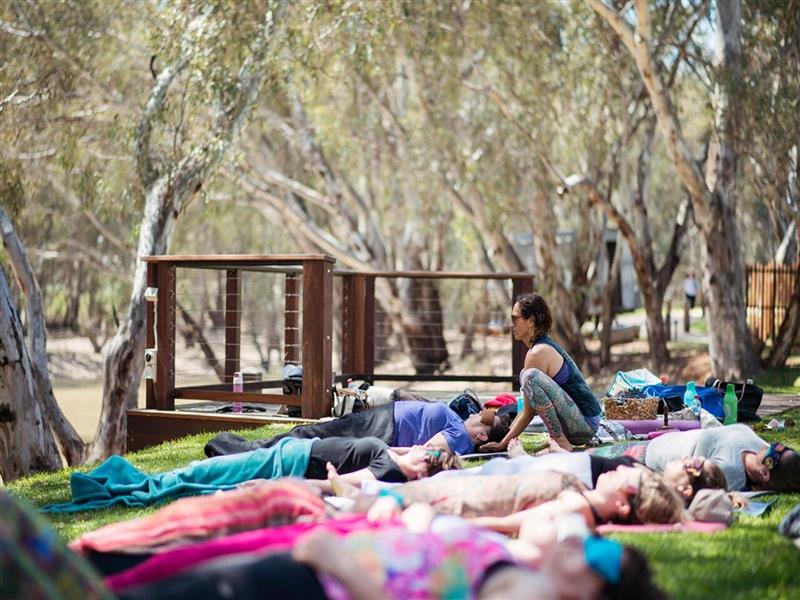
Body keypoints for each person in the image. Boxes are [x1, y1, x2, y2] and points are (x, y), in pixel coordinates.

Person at [41, 437, 459, 513]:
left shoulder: (387, 473)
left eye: (429, 454)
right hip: (283, 453)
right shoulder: (397, 459)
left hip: (280, 466)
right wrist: (451, 459)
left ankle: (117, 486)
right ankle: (129, 482)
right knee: (199, 472)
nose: (424, 448)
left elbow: (333, 485)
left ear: (423, 467)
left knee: (197, 474)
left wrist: (270, 486)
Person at [481, 292, 602, 452]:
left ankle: (560, 442)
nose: (511, 325)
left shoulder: (538, 352)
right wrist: (502, 444)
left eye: (515, 319)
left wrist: (502, 443)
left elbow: (528, 413)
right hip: (583, 423)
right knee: (527, 375)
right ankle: (560, 440)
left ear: (531, 321)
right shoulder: (539, 348)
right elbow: (527, 411)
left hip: (585, 424)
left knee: (528, 376)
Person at [205, 399, 511, 457]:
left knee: (309, 438)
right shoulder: (459, 426)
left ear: (482, 435)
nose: (477, 414)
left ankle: (236, 451)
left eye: (483, 419)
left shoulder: (459, 437)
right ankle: (240, 448)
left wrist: (383, 451)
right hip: (382, 421)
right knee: (310, 435)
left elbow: (425, 451)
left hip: (381, 430)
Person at [591, 424, 800, 493]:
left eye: (775, 453)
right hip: (659, 442)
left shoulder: (730, 472)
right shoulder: (757, 446)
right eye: (779, 446)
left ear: (765, 473)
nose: (774, 446)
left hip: (648, 458)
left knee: (584, 461)